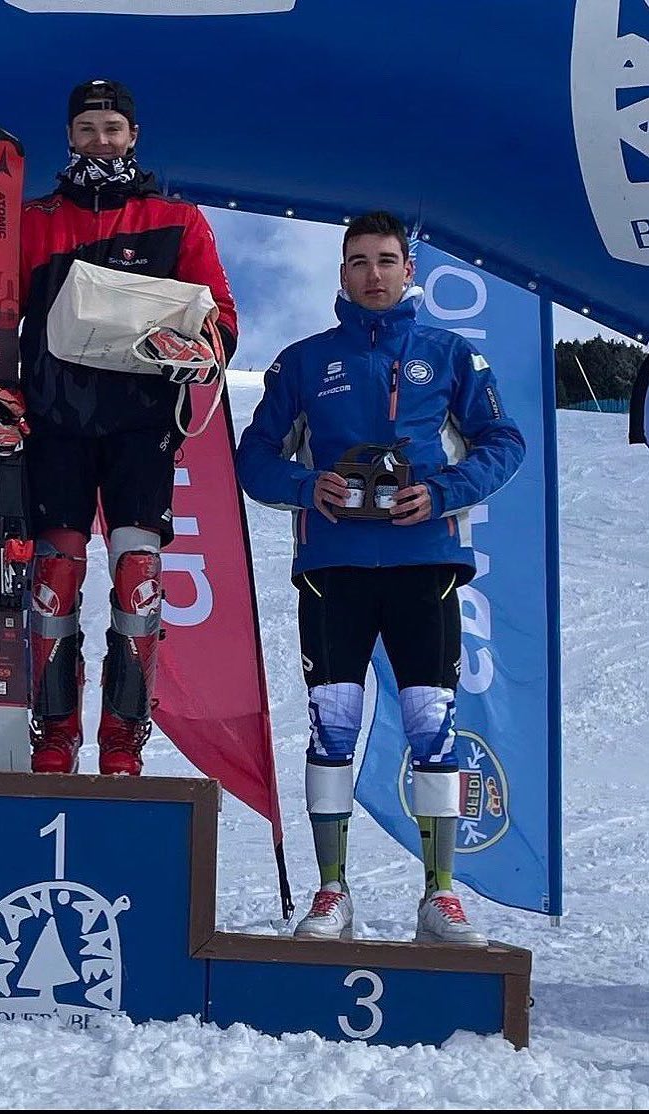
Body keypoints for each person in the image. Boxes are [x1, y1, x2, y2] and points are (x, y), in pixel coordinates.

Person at [235, 211, 525, 946]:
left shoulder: (449, 354)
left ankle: (440, 895)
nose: (373, 274)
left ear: (408, 271)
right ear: (341, 273)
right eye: (359, 261)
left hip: (424, 565)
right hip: (334, 568)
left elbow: (503, 440)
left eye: (386, 260)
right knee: (332, 723)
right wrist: (309, 488)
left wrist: (446, 491)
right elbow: (254, 457)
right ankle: (332, 891)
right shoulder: (304, 362)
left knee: (431, 723)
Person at [0, 78, 238, 776]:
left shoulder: (176, 218)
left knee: (139, 574)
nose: (101, 140)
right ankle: (55, 736)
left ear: (133, 135)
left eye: (112, 128)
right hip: (57, 419)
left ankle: (122, 739)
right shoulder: (37, 219)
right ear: (70, 137)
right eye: (87, 128)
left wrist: (206, 348)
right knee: (54, 576)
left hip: (143, 422)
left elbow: (220, 313)